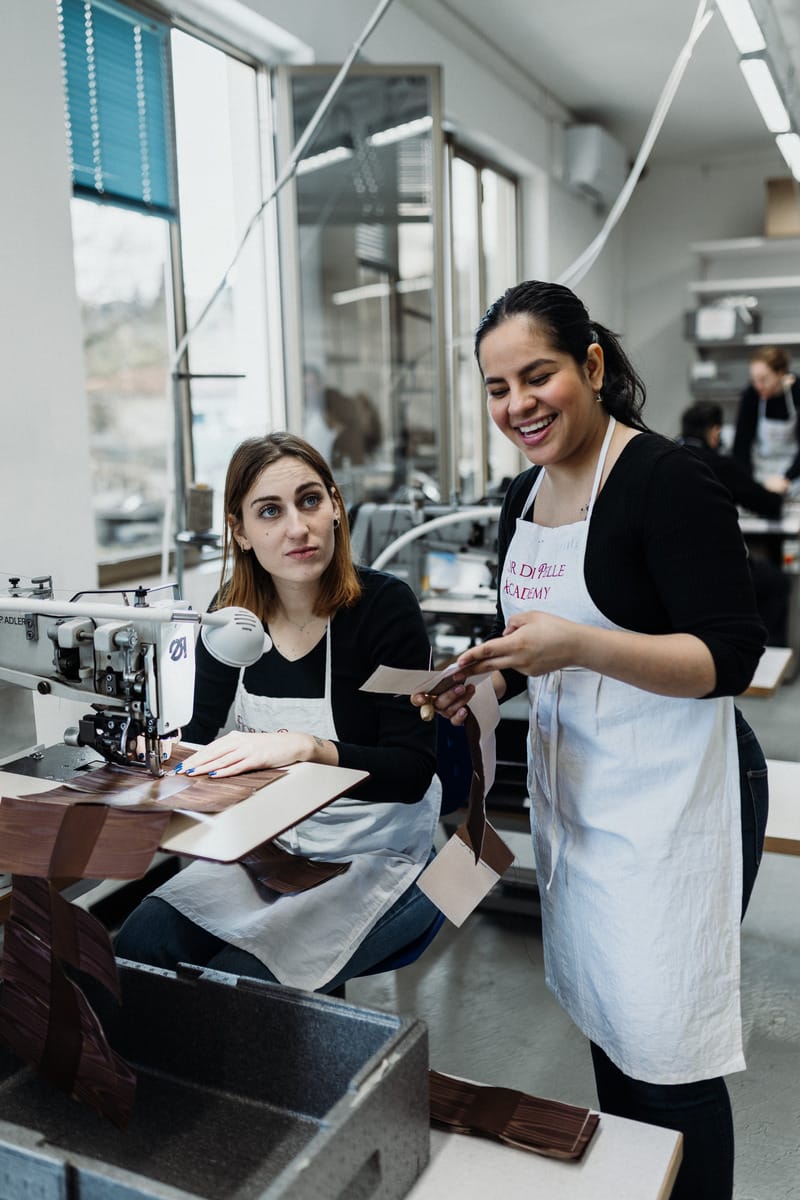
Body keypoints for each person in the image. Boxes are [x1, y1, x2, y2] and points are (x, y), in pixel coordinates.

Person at [414, 281, 768, 1200]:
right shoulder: (517, 501)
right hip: (580, 799)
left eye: (539, 376)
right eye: (497, 389)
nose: (518, 405)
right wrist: (485, 680)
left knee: (667, 1054)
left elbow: (729, 656)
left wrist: (579, 645)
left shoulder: (666, 479)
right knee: (612, 1030)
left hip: (675, 801)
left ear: (593, 367)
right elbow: (529, 651)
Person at [115, 432, 441, 994]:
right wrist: (136, 749)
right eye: (270, 511)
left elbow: (412, 774)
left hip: (385, 857)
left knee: (241, 988)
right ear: (240, 531)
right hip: (273, 848)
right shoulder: (229, 619)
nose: (297, 527)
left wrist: (307, 749)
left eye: (310, 500)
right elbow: (187, 736)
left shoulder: (387, 607)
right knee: (139, 942)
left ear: (336, 506)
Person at [679, 399, 791, 645]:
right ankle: (767, 661)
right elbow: (767, 503)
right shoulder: (717, 464)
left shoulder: (665, 454)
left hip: (675, 570)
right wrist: (774, 490)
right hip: (713, 568)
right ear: (715, 432)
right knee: (776, 582)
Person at [732, 345, 800, 492]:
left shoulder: (797, 391)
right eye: (754, 380)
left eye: (763, 379)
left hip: (794, 472)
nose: (758, 386)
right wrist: (746, 482)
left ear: (780, 373)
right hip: (761, 471)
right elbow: (741, 444)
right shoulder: (751, 394)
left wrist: (787, 477)